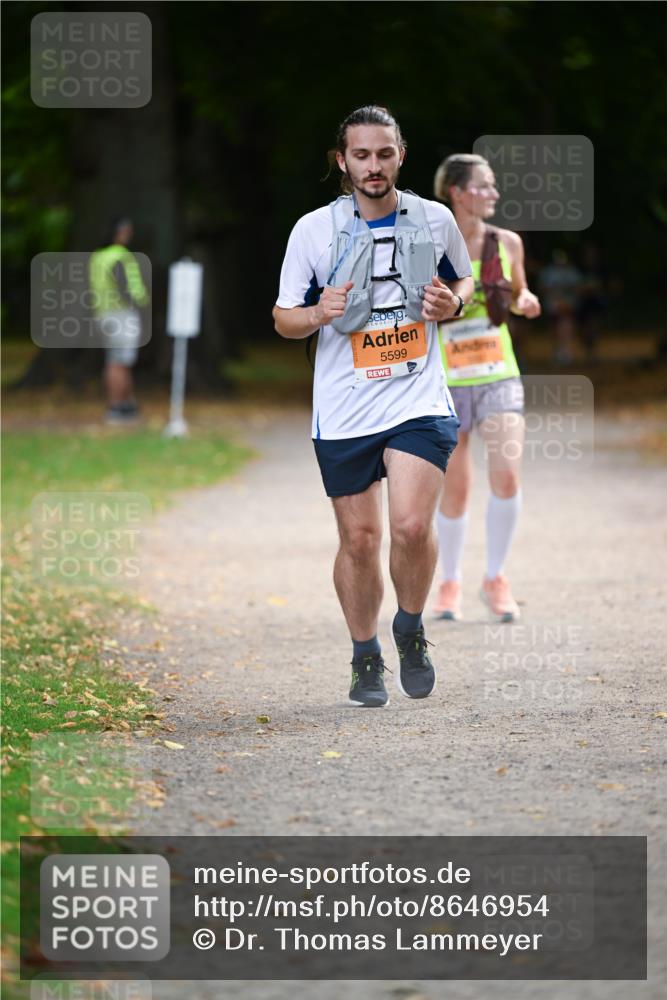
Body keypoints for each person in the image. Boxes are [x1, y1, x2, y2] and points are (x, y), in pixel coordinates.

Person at [273, 106, 474, 708]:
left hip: (417, 397)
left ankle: (409, 628)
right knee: (360, 540)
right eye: (361, 155)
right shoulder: (314, 230)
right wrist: (319, 312)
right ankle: (365, 654)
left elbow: (462, 281)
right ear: (343, 160)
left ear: (400, 156)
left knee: (411, 526)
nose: (374, 165)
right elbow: (283, 318)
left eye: (384, 153)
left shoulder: (435, 219)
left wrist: (453, 304)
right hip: (345, 407)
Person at [432, 153, 541, 623]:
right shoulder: (432, 244)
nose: (494, 193)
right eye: (485, 185)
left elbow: (517, 294)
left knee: (507, 475)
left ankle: (495, 578)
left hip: (498, 374)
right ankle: (450, 582)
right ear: (458, 192)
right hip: (447, 380)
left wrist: (526, 300)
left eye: (494, 185)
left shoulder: (507, 243)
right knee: (455, 488)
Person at [88, 217, 150, 425]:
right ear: (119, 232)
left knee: (118, 360)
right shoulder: (121, 255)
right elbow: (127, 285)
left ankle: (127, 403)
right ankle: (116, 406)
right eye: (126, 231)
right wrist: (141, 301)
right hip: (121, 313)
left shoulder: (98, 256)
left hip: (103, 313)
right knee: (119, 361)